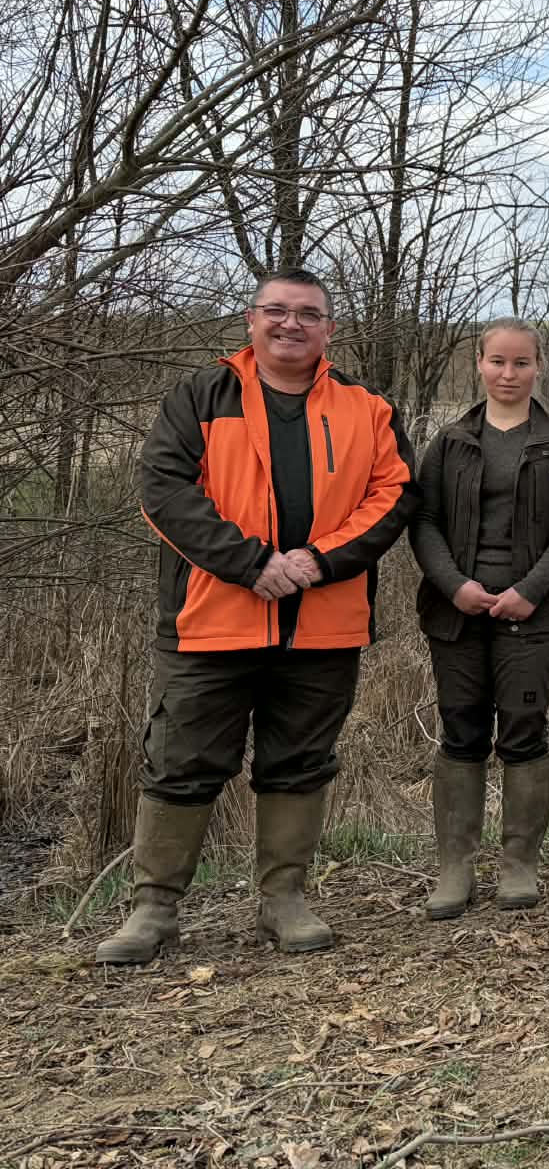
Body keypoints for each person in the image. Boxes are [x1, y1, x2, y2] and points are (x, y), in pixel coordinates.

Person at [98, 269, 417, 964]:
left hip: (324, 624)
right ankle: (153, 910)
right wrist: (253, 564)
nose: (291, 324)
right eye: (276, 311)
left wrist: (317, 561)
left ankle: (284, 901)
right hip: (210, 622)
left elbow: (394, 496)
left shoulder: (367, 407)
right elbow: (163, 491)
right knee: (181, 764)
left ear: (330, 329)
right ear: (251, 320)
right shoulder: (199, 397)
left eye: (308, 314)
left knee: (299, 762)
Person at [409, 318, 549, 918]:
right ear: (479, 365)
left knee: (523, 725)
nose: (508, 374)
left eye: (521, 363)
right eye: (497, 362)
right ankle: (455, 868)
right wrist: (454, 584)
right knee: (461, 727)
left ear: (539, 366)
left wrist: (531, 589)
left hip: (535, 611)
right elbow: (425, 521)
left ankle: (519, 863)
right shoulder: (451, 441)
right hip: (458, 609)